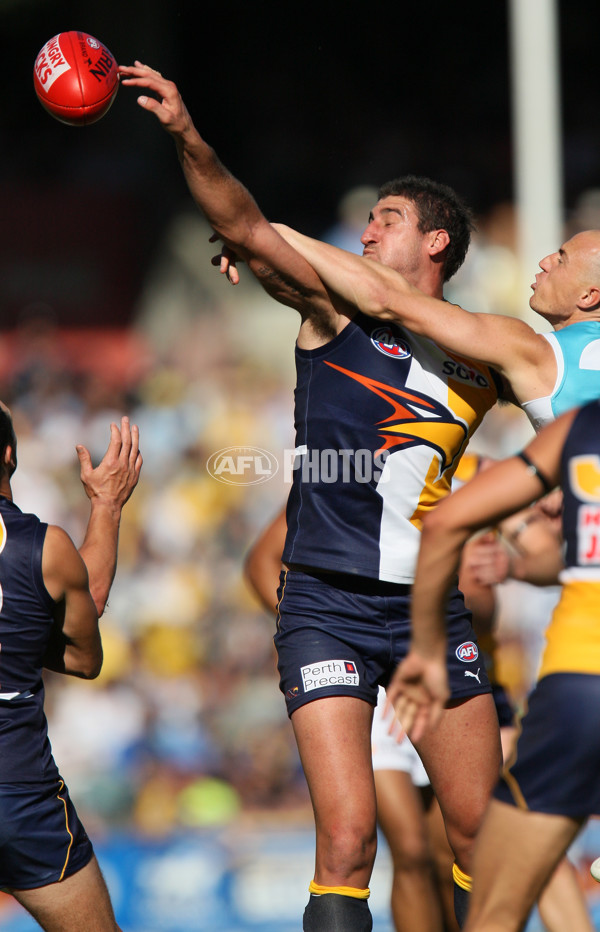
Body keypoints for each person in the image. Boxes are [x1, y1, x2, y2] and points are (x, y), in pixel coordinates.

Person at [118, 62, 504, 930]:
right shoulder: (333, 316)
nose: (366, 232)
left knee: (479, 835)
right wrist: (187, 134)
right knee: (349, 842)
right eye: (366, 220)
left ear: (436, 242)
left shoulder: (485, 351)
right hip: (325, 606)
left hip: (430, 616)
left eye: (387, 219)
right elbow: (244, 223)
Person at [388, 398, 600, 932]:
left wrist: (425, 648)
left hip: (574, 679)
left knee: (493, 886)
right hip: (402, 681)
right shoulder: (374, 467)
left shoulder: (584, 425)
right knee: (427, 853)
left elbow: (447, 525)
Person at [244, 507, 453, 932]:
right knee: (404, 848)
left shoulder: (465, 477)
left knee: (449, 850)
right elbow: (261, 561)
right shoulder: (342, 469)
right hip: (368, 680)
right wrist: (315, 635)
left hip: (438, 671)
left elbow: (484, 598)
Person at [0, 405, 142, 932]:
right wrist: (106, 504)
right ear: (9, 456)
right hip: (18, 793)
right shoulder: (46, 548)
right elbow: (85, 657)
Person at [270, 222, 600, 430]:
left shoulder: (535, 351)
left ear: (589, 295)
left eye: (561, 259)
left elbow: (386, 298)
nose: (544, 262)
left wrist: (275, 235)